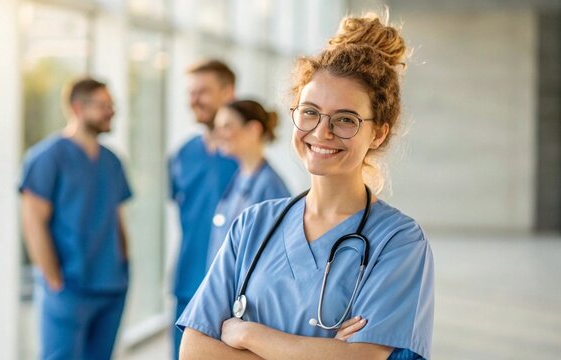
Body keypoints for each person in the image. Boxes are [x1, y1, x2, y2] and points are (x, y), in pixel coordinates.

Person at [177, 13, 434, 360]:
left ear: (378, 132)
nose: (322, 132)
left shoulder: (398, 242)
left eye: (345, 119)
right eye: (310, 112)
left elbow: (363, 358)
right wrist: (323, 351)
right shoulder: (253, 225)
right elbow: (195, 350)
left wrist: (248, 333)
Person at [19, 78, 133, 359]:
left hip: (111, 285)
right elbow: (33, 222)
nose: (111, 111)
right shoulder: (47, 158)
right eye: (103, 105)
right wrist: (54, 279)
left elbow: (117, 218)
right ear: (77, 108)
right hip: (69, 286)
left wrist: (125, 263)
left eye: (112, 105)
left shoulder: (112, 161)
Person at [169, 59, 239, 359]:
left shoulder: (245, 159)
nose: (194, 100)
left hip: (234, 294)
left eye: (203, 92)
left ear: (228, 93)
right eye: (191, 93)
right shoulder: (182, 155)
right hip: (188, 284)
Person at [207, 100, 291, 267]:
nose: (218, 134)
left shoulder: (271, 188)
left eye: (227, 126)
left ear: (253, 130)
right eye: (217, 127)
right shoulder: (238, 178)